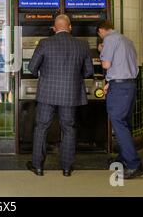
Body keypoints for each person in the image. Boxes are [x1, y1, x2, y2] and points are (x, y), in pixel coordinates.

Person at [27, 14, 93, 177]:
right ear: (70, 27)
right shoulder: (82, 45)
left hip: (47, 94)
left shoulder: (45, 43)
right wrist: (74, 78)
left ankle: (38, 166)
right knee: (68, 129)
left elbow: (32, 67)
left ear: (54, 28)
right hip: (70, 94)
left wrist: (44, 74)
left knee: (42, 127)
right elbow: (89, 71)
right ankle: (67, 168)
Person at [97, 20, 143, 179]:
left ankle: (134, 164)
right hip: (130, 85)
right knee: (125, 123)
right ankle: (124, 158)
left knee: (118, 122)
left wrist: (101, 51)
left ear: (101, 31)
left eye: (99, 35)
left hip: (119, 87)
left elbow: (106, 64)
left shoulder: (109, 39)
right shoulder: (127, 40)